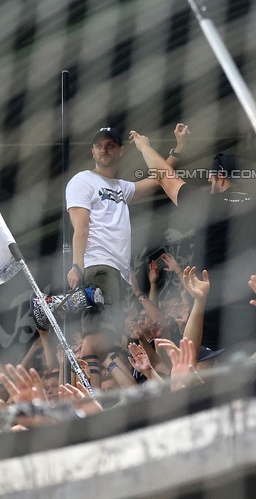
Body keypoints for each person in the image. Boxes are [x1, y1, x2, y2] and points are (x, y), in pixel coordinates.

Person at [128, 133, 256, 353]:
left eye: (210, 179)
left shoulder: (206, 203)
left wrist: (144, 146)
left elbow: (164, 176)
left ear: (220, 177)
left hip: (211, 321)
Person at [66, 125, 189, 386]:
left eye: (110, 145)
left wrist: (178, 149)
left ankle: (98, 395)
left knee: (109, 341)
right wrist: (77, 265)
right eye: (99, 145)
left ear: (120, 151)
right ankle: (93, 399)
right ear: (92, 150)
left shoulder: (121, 187)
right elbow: (81, 226)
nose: (104, 149)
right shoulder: (82, 180)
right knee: (95, 340)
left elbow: (159, 179)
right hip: (99, 266)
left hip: (118, 273)